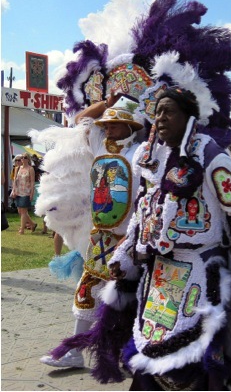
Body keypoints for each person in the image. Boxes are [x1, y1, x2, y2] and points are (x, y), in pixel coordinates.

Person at [51, 88, 231, 391]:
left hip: (201, 272)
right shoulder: (151, 158)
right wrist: (124, 255)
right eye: (157, 112)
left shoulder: (212, 156)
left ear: (189, 118)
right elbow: (143, 211)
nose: (160, 118)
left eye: (169, 111)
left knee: (199, 361)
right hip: (158, 277)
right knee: (148, 355)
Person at [40, 96, 143, 368]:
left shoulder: (141, 153)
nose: (107, 128)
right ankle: (74, 350)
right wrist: (107, 102)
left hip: (129, 238)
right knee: (86, 290)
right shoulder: (100, 147)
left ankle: (129, 353)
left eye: (114, 123)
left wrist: (134, 235)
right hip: (101, 237)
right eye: (106, 124)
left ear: (129, 126)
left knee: (125, 297)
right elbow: (80, 120)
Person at [10, 153, 37, 234]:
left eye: (25, 158)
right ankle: (32, 224)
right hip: (18, 191)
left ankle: (22, 229)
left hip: (26, 192)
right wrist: (14, 190)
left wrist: (32, 193)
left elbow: (32, 182)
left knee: (24, 211)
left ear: (28, 159)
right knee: (19, 211)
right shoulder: (18, 168)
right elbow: (15, 181)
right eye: (22, 158)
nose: (23, 159)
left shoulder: (30, 169)